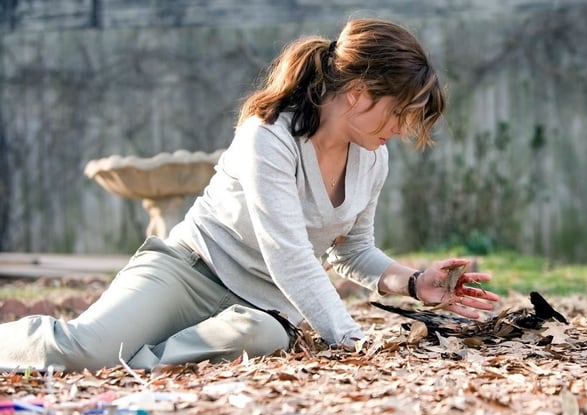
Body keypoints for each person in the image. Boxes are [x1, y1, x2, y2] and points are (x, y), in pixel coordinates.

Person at [0, 18, 500, 372]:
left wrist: (413, 282)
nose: (402, 128)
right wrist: (352, 339)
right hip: (185, 272)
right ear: (359, 93)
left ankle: (132, 359)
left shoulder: (374, 156)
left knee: (258, 335)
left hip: (257, 309)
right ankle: (103, 350)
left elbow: (353, 251)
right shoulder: (269, 137)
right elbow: (289, 254)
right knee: (83, 351)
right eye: (399, 111)